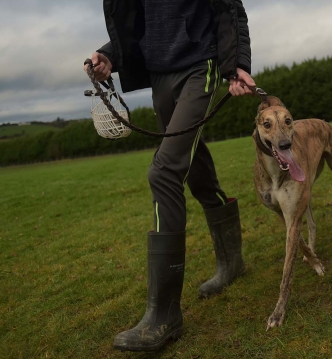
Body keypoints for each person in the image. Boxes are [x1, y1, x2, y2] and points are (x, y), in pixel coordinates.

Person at [84, 0, 255, 352]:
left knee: (164, 172)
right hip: (160, 75)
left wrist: (236, 63)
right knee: (194, 171)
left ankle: (163, 315)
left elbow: (228, 8)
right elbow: (138, 22)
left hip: (200, 67)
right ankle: (232, 261)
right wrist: (109, 54)